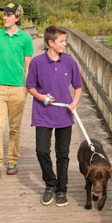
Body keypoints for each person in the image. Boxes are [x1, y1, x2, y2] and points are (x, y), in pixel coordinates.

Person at [26, 25, 83, 207]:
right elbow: (30, 86)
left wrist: (75, 102)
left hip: (64, 113)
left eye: (65, 41)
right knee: (41, 150)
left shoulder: (70, 62)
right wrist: (42, 97)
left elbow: (78, 86)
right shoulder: (37, 62)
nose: (65, 44)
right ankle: (50, 184)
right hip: (43, 113)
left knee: (63, 154)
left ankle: (61, 190)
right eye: (62, 41)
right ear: (51, 43)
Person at [0, 2, 34, 178]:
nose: (4, 17)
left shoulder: (26, 39)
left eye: (8, 14)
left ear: (17, 18)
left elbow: (28, 65)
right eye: (4, 14)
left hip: (17, 89)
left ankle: (12, 160)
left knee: (14, 127)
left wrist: (26, 87)